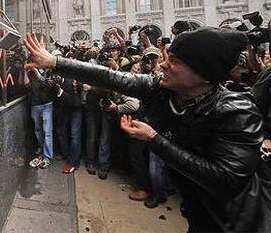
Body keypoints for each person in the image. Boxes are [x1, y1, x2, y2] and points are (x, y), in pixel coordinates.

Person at [24, 28, 271, 232]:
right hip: (199, 212)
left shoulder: (237, 112)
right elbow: (111, 77)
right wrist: (54, 62)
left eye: (174, 61)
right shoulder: (162, 89)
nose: (163, 64)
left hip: (238, 222)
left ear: (202, 73)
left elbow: (226, 181)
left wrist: (154, 139)